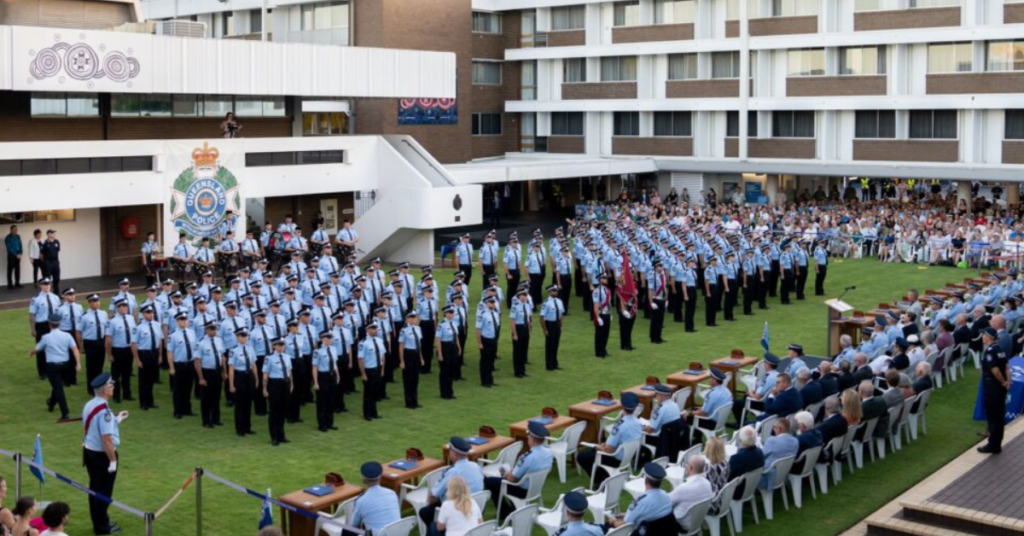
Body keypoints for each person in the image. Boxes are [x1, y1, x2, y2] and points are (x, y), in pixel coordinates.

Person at [82, 374, 125, 535]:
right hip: (102, 456)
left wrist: (117, 420)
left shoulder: (90, 404)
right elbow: (106, 439)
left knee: (95, 489)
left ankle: (101, 522)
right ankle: (101, 527)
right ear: (104, 389)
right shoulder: (105, 411)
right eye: (111, 385)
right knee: (103, 492)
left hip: (90, 451)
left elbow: (94, 426)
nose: (113, 387)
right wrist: (112, 460)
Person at [484, 422, 553, 519]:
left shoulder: (527, 457)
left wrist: (507, 474)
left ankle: (504, 512)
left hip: (522, 490)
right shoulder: (549, 452)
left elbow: (512, 479)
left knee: (489, 481)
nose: (527, 437)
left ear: (532, 439)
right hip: (537, 487)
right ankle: (511, 508)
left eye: (528, 435)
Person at [577, 392, 642, 486]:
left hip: (616, 459)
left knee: (582, 457)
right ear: (635, 408)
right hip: (629, 456)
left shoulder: (620, 426)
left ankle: (600, 480)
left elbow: (609, 450)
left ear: (622, 406)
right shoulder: (638, 423)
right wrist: (606, 445)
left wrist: (598, 448)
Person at [418, 437, 484, 528]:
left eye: (450, 450)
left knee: (425, 512)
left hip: (458, 510)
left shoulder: (453, 472)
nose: (449, 452)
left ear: (455, 455)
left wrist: (430, 502)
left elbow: (434, 495)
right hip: (476, 506)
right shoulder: (476, 466)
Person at [28, 313, 79, 420]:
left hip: (52, 367)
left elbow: (37, 349)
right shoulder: (67, 335)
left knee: (58, 389)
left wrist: (31, 352)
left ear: (49, 324)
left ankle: (65, 413)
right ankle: (51, 404)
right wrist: (78, 363)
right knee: (57, 386)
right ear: (59, 324)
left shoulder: (46, 337)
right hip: (65, 365)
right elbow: (75, 349)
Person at [604, 463, 676, 533]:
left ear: (646, 480)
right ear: (660, 482)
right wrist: (628, 514)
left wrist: (613, 521)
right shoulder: (666, 496)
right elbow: (651, 513)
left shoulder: (641, 501)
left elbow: (625, 524)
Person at [979, 327, 1010, 454]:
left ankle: (993, 444)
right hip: (1000, 388)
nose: (982, 337)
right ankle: (997, 443)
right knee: (999, 415)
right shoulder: (999, 349)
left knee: (993, 417)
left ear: (989, 337)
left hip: (993, 388)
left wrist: (1003, 382)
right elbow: (1007, 367)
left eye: (983, 335)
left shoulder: (990, 351)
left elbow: (995, 370)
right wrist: (1008, 381)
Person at [348, 462, 401, 536]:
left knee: (347, 530)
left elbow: (354, 524)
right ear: (380, 478)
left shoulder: (361, 501)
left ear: (364, 480)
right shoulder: (392, 493)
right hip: (398, 533)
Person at [669, 455, 714, 532]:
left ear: (691, 468)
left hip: (682, 524)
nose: (686, 467)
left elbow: (666, 502)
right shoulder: (708, 483)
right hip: (698, 521)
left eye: (687, 464)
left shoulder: (684, 488)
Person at [29, 278, 62, 380]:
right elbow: (32, 314)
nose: (47, 286)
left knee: (54, 347)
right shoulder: (36, 298)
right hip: (42, 325)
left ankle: (53, 369)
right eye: (44, 284)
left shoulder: (56, 297)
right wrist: (33, 329)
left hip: (54, 325)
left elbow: (60, 312)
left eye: (48, 284)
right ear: (40, 285)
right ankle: (42, 372)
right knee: (41, 348)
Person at [106, 299, 136, 403]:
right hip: (117, 350)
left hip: (128, 349)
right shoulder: (112, 321)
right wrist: (109, 354)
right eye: (122, 306)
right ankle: (116, 396)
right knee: (116, 375)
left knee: (127, 373)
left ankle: (127, 394)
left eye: (125, 306)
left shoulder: (131, 318)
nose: (124, 308)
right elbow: (108, 339)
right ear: (117, 308)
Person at [133, 304, 163, 411]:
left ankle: (150, 401)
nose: (151, 314)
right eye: (148, 313)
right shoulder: (139, 328)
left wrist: (160, 355)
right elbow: (134, 345)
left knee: (151, 379)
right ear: (143, 314)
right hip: (144, 354)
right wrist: (137, 359)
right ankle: (143, 403)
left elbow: (160, 341)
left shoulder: (157, 325)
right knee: (143, 381)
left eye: (152, 312)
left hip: (154, 353)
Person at [263, 338, 293, 446]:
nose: (281, 347)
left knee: (283, 410)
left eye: (282, 345)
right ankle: (274, 437)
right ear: (274, 346)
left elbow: (289, 371)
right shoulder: (269, 358)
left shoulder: (287, 357)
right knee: (274, 411)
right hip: (274, 384)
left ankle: (281, 435)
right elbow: (265, 373)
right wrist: (264, 388)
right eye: (279, 345)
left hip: (285, 383)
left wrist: (291, 383)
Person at [228, 329, 258, 437]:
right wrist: (231, 384)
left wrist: (256, 378)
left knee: (248, 403)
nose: (244, 338)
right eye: (242, 336)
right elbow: (231, 368)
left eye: (245, 336)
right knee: (240, 404)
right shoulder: (234, 351)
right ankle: (240, 429)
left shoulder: (250, 349)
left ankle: (247, 427)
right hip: (239, 376)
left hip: (248, 376)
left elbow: (253, 364)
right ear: (237, 337)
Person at [196, 321, 225, 429]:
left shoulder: (219, 340)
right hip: (207, 372)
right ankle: (206, 420)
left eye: (215, 329)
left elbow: (222, 357)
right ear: (206, 329)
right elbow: (197, 361)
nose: (214, 331)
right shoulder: (201, 343)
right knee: (206, 398)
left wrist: (224, 372)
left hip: (217, 371)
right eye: (212, 329)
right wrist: (201, 377)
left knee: (216, 396)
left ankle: (216, 419)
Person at [759, 418, 798, 490]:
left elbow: (761, 456)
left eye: (774, 427)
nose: (773, 429)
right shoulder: (795, 441)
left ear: (779, 429)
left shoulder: (772, 440)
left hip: (767, 476)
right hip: (783, 474)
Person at [312, 330, 340, 432]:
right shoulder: (317, 351)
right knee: (322, 401)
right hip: (322, 376)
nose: (329, 340)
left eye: (330, 338)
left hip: (332, 375)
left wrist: (338, 375)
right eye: (327, 338)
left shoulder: (333, 349)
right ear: (323, 339)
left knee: (331, 400)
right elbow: (314, 367)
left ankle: (330, 422)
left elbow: (335, 363)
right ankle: (322, 424)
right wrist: (315, 382)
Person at [358, 322, 386, 421]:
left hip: (378, 368)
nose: (375, 330)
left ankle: (374, 412)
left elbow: (382, 355)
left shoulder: (379, 340)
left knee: (375, 392)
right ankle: (367, 413)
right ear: (368, 330)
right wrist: (363, 374)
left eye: (376, 328)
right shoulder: (363, 343)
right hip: (369, 370)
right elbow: (361, 359)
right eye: (373, 328)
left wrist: (382, 369)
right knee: (368, 393)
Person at [728, 426, 765, 499]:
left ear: (742, 441)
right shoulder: (760, 452)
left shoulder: (737, 458)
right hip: (752, 486)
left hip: (737, 490)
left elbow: (729, 476)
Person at [436, 305, 460, 399]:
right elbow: (438, 339)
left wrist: (459, 347)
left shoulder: (454, 323)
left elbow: (456, 336)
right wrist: (440, 353)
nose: (452, 314)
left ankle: (450, 392)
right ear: (445, 313)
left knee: (451, 371)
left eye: (453, 312)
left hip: (453, 347)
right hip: (445, 347)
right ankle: (444, 393)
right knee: (444, 371)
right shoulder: (441, 324)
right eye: (450, 312)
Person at [476, 296, 500, 388]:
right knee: (485, 361)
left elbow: (496, 327)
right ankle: (484, 381)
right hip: (485, 340)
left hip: (493, 340)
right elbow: (478, 329)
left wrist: (497, 338)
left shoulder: (495, 313)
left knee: (491, 361)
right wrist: (480, 343)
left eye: (493, 302)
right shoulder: (483, 314)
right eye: (491, 302)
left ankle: (490, 380)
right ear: (486, 303)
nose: (493, 304)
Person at [540, 284, 565, 371]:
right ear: (550, 292)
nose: (556, 292)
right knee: (549, 345)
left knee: (556, 345)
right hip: (549, 324)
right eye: (554, 291)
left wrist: (561, 326)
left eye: (557, 290)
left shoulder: (559, 301)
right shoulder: (546, 303)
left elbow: (561, 314)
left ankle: (555, 363)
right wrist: (545, 330)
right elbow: (542, 317)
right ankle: (549, 365)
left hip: (557, 324)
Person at [510, 290, 532, 379]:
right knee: (517, 351)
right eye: (523, 295)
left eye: (526, 295)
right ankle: (517, 371)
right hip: (518, 328)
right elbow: (512, 321)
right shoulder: (515, 307)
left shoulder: (527, 306)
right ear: (519, 296)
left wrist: (529, 330)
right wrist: (515, 334)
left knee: (524, 350)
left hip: (525, 328)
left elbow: (528, 319)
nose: (525, 297)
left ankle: (523, 370)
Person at [592, 274, 612, 358]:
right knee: (600, 334)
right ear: (599, 280)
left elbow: (609, 303)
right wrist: (598, 317)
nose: (606, 279)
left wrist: (611, 314)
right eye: (604, 278)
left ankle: (603, 349)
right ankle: (598, 351)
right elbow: (596, 305)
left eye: (606, 278)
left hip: (607, 314)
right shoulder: (597, 291)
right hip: (601, 314)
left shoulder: (607, 290)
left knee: (606, 334)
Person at [39, 230, 61, 295]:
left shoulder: (57, 242)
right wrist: (45, 263)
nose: (54, 234)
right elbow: (41, 255)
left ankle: (57, 294)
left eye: (54, 233)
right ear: (48, 234)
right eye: (52, 233)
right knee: (47, 280)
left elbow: (57, 252)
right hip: (48, 263)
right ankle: (48, 294)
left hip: (55, 263)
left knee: (57, 279)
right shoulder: (45, 243)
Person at [5, 224, 22, 290]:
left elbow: (20, 245)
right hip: (11, 255)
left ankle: (17, 283)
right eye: (14, 229)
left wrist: (20, 253)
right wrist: (16, 254)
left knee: (17, 269)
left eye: (16, 229)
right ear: (11, 230)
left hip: (18, 254)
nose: (16, 230)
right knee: (10, 270)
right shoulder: (8, 237)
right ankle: (10, 284)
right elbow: (9, 248)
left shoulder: (18, 236)